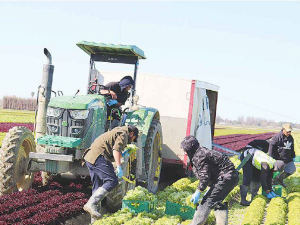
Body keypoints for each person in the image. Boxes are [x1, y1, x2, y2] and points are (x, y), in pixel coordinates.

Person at [82, 125, 139, 222]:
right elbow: (116, 150)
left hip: (90, 156)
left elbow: (116, 149)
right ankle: (90, 204)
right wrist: (119, 167)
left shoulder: (118, 130)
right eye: (134, 138)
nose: (132, 141)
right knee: (112, 181)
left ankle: (95, 222)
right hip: (98, 157)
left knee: (98, 187)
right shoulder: (124, 134)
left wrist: (123, 154)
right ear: (132, 133)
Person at [181, 136, 239, 225]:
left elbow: (205, 177)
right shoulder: (200, 151)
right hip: (230, 177)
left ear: (190, 149)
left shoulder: (199, 156)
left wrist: (199, 191)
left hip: (226, 178)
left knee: (206, 202)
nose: (184, 152)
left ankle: (195, 224)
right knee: (217, 202)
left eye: (185, 150)